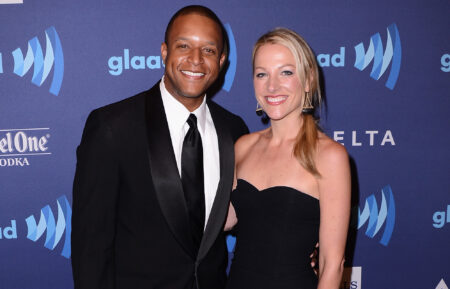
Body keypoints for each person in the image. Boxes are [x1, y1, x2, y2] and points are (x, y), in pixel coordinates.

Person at [71, 5, 248, 289]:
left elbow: (254, 214)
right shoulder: (113, 128)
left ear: (223, 61)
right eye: (184, 46)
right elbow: (91, 244)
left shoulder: (234, 129)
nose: (195, 60)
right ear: (164, 52)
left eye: (209, 50)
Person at [224, 28, 351, 289]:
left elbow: (331, 264)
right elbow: (223, 220)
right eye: (262, 74)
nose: (272, 86)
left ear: (307, 81)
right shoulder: (243, 146)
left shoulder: (329, 156)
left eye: (286, 72)